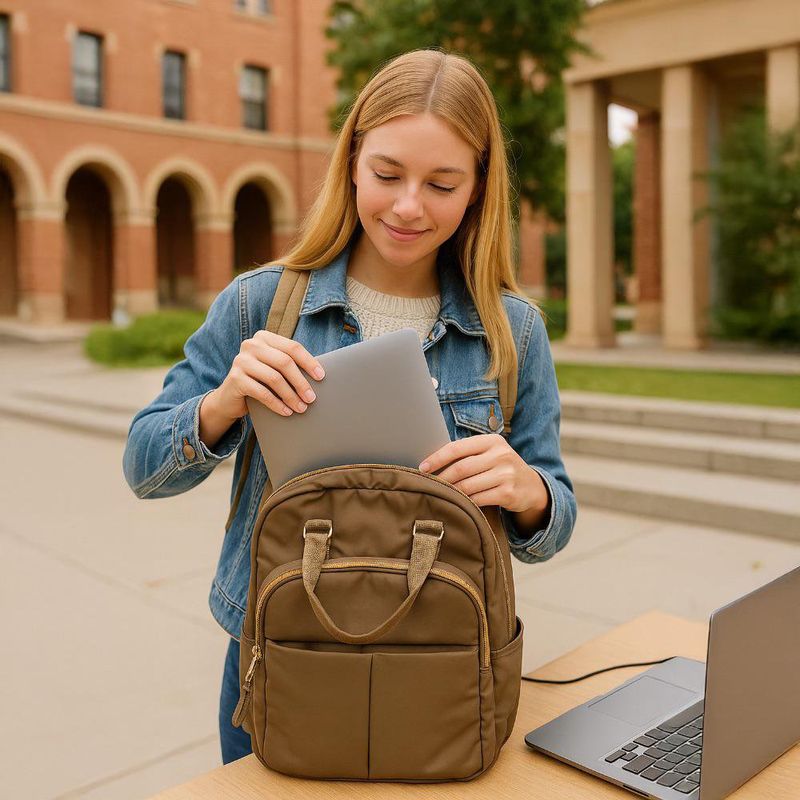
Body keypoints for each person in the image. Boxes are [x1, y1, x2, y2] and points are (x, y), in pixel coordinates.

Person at [123, 47, 577, 765]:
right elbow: (144, 468)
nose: (408, 206)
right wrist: (222, 404)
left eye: (442, 183)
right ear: (353, 163)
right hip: (278, 656)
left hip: (444, 663)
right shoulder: (258, 304)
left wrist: (529, 493)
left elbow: (552, 525)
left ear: (477, 189)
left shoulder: (513, 331)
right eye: (387, 174)